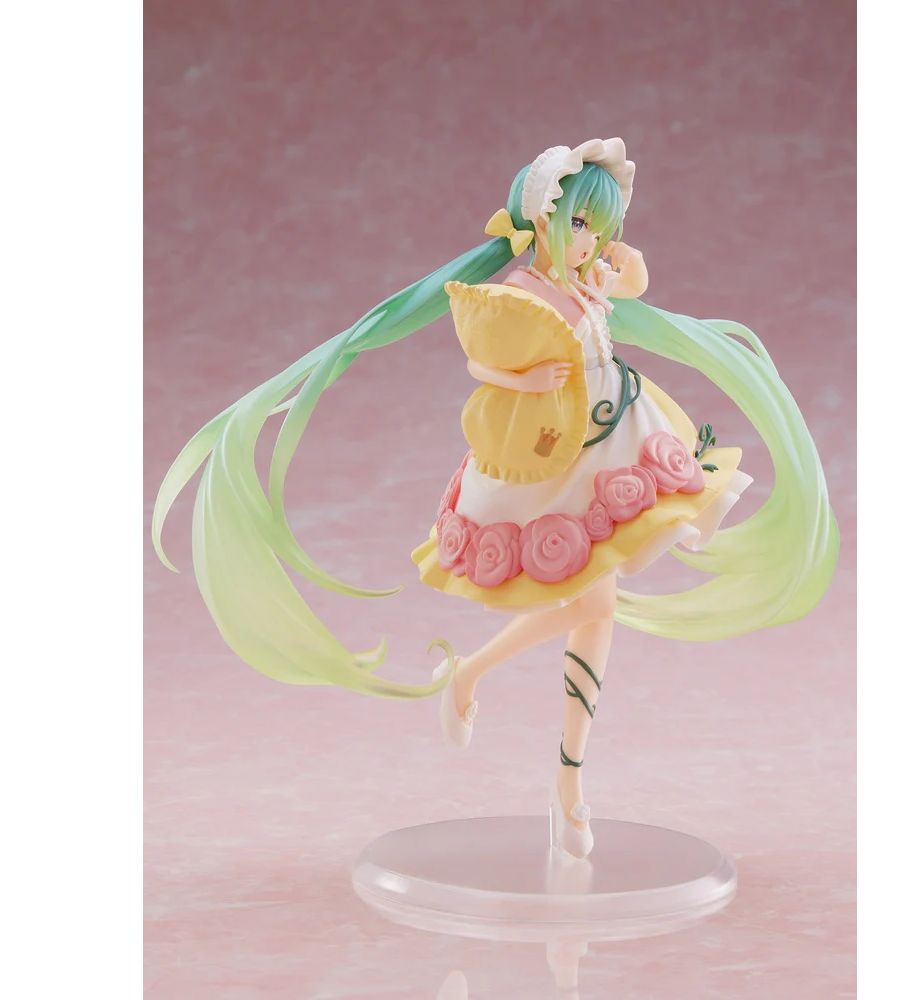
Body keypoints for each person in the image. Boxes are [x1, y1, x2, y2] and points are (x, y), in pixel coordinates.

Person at [153, 138, 838, 859]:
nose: (588, 240)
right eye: (579, 223)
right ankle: (550, 765)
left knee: (597, 609)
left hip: (617, 436)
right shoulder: (520, 291)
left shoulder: (588, 279)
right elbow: (481, 362)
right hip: (552, 453)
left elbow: (630, 287)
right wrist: (524, 381)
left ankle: (546, 759)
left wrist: (626, 263)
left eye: (599, 227)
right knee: (594, 608)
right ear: (542, 218)